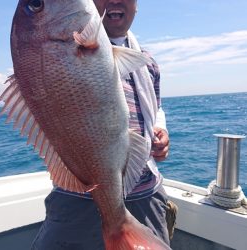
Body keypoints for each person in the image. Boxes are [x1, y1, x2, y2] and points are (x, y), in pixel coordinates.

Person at [31, 0, 176, 249]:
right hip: (79, 197)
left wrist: (160, 130)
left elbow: (155, 107)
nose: (115, 0)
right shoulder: (68, 49)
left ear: (137, 6)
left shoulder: (147, 61)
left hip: (146, 193)